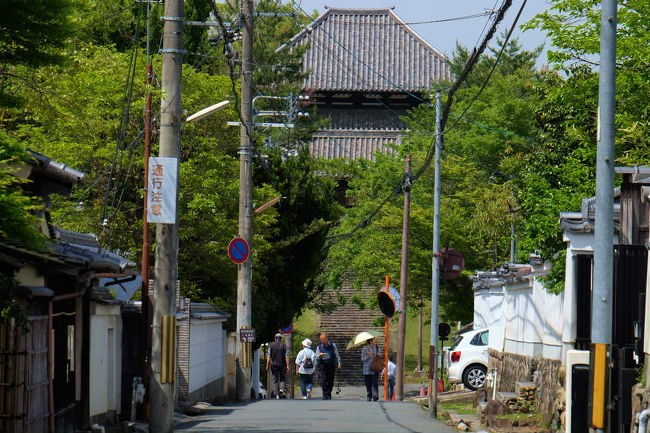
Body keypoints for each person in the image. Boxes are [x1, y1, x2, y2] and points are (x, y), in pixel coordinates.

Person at [315, 332, 341, 400]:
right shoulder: (319, 347)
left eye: (323, 339)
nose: (322, 341)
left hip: (331, 364)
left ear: (327, 338)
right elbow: (316, 356)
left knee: (330, 380)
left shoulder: (333, 345)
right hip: (323, 365)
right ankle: (325, 394)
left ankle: (329, 393)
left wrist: (339, 364)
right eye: (321, 340)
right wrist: (319, 355)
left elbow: (337, 355)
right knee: (323, 380)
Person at [266, 333, 289, 399]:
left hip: (274, 365)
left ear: (275, 338)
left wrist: (267, 365)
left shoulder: (271, 346)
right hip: (282, 365)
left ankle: (276, 394)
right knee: (282, 378)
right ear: (281, 339)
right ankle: (282, 389)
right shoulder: (284, 346)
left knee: (275, 379)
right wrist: (287, 365)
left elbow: (268, 356)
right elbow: (286, 356)